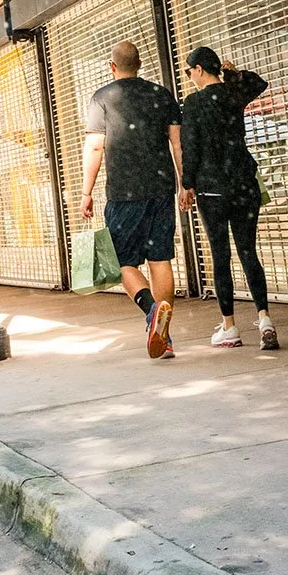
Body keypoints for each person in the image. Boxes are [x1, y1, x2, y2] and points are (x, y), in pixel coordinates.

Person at [80, 41, 183, 360]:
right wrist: (185, 183)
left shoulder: (102, 98)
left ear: (113, 67)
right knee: (160, 259)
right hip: (162, 188)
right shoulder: (162, 95)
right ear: (139, 64)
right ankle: (163, 337)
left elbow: (95, 147)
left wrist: (86, 192)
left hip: (125, 193)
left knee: (124, 263)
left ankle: (152, 312)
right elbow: (177, 144)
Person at [178, 46, 278, 350]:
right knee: (248, 251)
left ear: (197, 70)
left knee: (221, 255)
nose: (188, 77)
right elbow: (259, 84)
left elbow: (190, 148)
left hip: (213, 188)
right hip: (245, 184)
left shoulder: (193, 103)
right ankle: (264, 319)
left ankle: (230, 327)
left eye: (188, 71)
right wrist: (234, 75)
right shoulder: (234, 94)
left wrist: (186, 185)